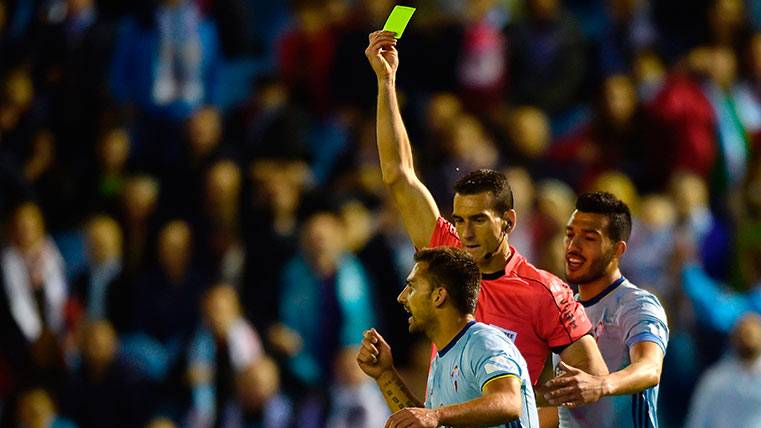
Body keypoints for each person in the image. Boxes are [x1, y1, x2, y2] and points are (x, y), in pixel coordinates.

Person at [364, 30, 607, 394]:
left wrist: (515, 397)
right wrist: (386, 81)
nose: (466, 232)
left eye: (478, 220)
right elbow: (399, 174)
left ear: (508, 221)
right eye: (460, 220)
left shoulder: (544, 292)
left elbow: (595, 380)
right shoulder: (448, 255)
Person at [356, 247, 539, 427]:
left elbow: (509, 402)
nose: (401, 297)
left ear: (438, 296)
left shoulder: (483, 342)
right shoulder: (441, 361)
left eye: (411, 287)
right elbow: (426, 422)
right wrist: (385, 374)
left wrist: (436, 415)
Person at [544, 192, 669, 428]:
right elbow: (566, 412)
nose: (573, 246)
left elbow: (650, 368)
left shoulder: (637, 305)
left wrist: (601, 385)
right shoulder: (565, 311)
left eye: (589, 238)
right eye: (569, 235)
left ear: (618, 249)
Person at [685, 313, 761, 428]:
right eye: (743, 334)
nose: (747, 338)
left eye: (751, 334)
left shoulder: (714, 378)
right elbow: (698, 420)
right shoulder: (715, 379)